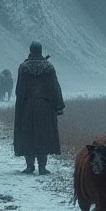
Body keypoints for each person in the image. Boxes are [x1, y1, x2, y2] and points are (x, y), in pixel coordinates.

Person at [12, 41, 64, 174]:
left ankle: (30, 166)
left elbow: (19, 90)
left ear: (30, 50)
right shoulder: (48, 67)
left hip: (28, 106)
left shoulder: (24, 67)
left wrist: (21, 106)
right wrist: (58, 106)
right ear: (40, 51)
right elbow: (54, 88)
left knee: (28, 134)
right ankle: (42, 167)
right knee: (43, 135)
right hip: (45, 106)